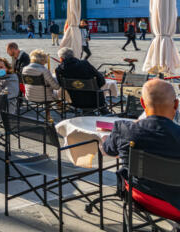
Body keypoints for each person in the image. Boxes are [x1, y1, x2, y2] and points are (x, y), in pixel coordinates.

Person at [102, 79, 180, 211]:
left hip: (140, 197)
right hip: (176, 205)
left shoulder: (124, 130)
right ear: (176, 104)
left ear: (142, 103)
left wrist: (104, 140)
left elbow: (107, 151)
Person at [55, 47, 108, 113]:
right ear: (73, 55)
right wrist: (96, 87)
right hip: (95, 99)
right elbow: (101, 80)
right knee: (99, 93)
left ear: (61, 58)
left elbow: (61, 85)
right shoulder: (85, 64)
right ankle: (104, 112)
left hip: (75, 101)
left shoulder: (59, 69)